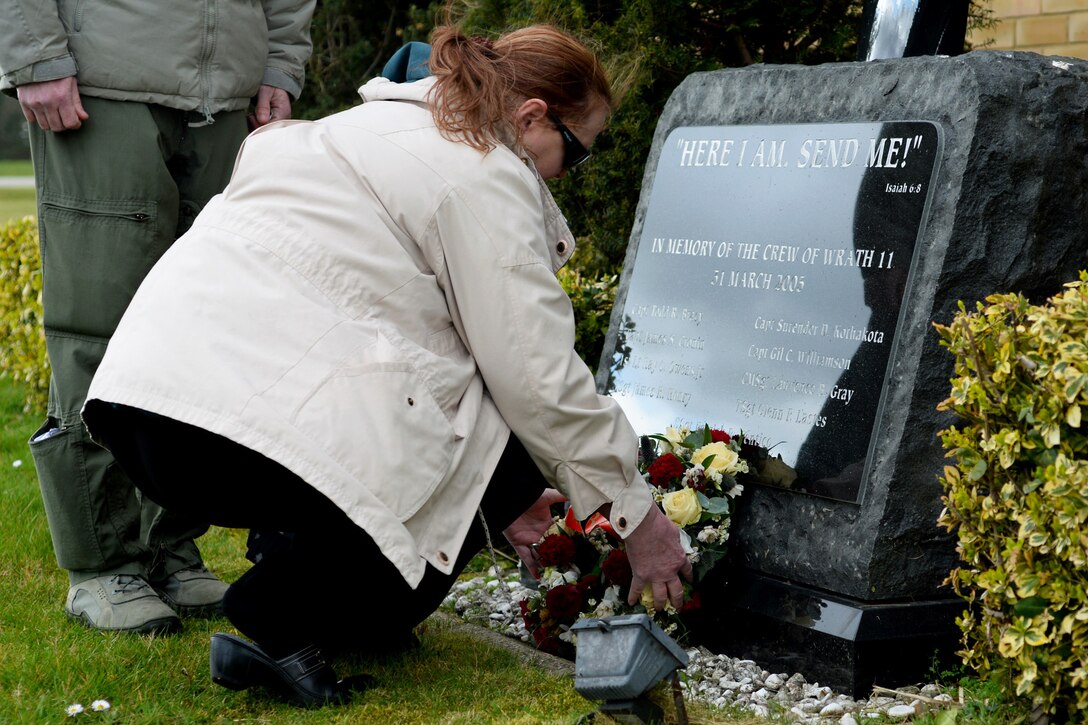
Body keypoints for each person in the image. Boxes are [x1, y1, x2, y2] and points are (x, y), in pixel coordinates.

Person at [80, 15, 693, 707]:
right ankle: (277, 606)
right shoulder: (484, 174)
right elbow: (536, 376)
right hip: (238, 429)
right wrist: (640, 516)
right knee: (455, 456)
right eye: (577, 151)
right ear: (530, 117)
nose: (568, 172)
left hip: (148, 402)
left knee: (451, 417)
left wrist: (516, 494)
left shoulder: (359, 125)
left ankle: (306, 610)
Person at [0, 0, 317, 634]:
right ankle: (103, 563)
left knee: (205, 335)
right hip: (103, 81)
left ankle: (171, 546)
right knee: (98, 324)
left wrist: (281, 62)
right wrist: (33, 53)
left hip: (230, 95)